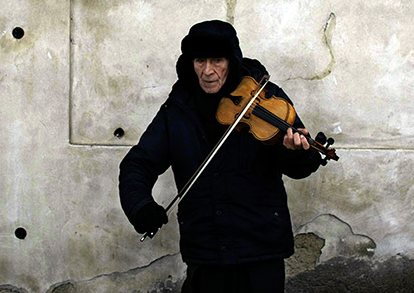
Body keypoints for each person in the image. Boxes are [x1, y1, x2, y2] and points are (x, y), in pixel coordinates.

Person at [119, 20, 324, 293]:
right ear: (190, 63)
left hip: (260, 248)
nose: (208, 71)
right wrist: (140, 205)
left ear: (232, 61)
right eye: (200, 60)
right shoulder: (179, 107)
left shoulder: (265, 97)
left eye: (217, 60)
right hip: (206, 250)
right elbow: (138, 163)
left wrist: (299, 153)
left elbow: (297, 168)